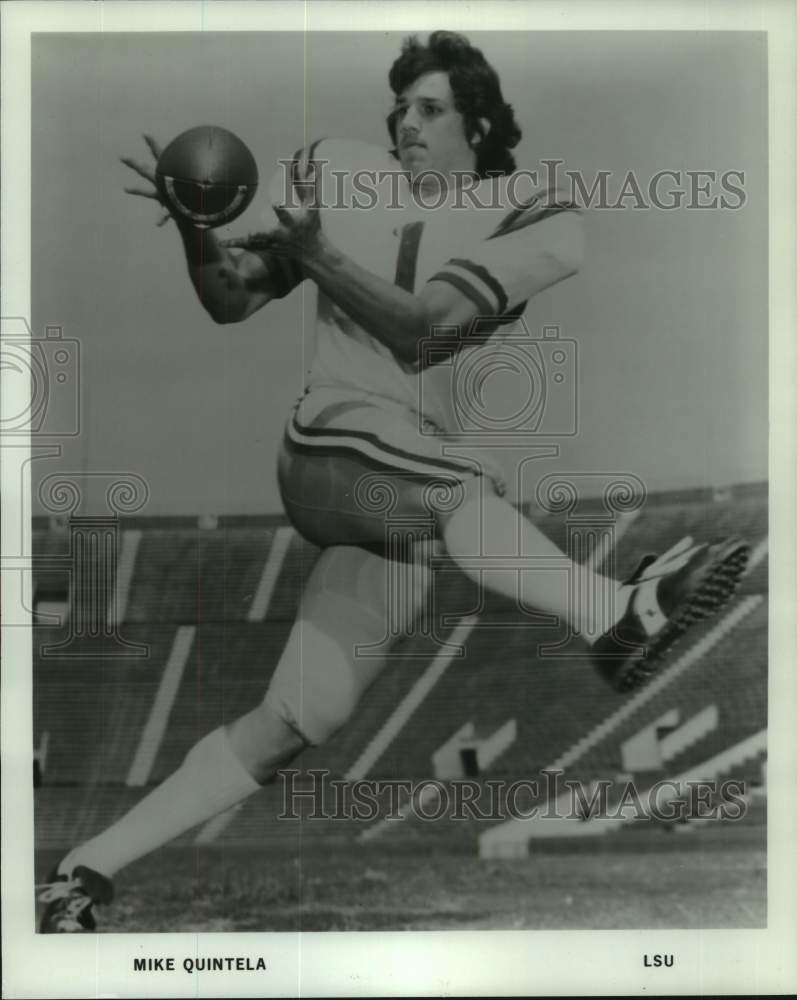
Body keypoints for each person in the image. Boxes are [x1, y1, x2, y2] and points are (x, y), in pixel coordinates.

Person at [38, 31, 748, 932]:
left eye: (429, 109)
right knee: (462, 487)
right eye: (398, 109)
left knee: (299, 715)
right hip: (335, 440)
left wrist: (321, 251)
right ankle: (611, 617)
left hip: (402, 492)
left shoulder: (533, 213)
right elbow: (230, 297)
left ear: (479, 125)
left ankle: (83, 872)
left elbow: (422, 327)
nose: (402, 125)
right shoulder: (342, 175)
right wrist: (194, 224)